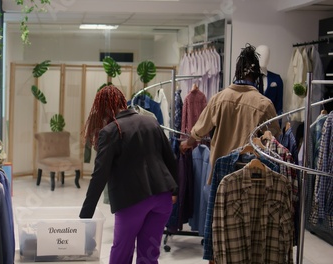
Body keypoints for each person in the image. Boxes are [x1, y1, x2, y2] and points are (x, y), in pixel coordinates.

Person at [79, 85, 178, 264]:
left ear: (105, 108)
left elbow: (100, 175)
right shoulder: (151, 122)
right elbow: (170, 158)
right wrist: (175, 191)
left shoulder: (110, 132)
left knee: (122, 252)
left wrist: (85, 215)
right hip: (162, 197)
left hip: (132, 201)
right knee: (149, 254)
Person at [180, 43, 281, 186]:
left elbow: (199, 130)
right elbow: (274, 139)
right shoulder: (264, 104)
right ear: (257, 74)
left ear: (238, 71)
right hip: (250, 176)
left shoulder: (219, 98)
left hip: (220, 175)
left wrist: (187, 144)